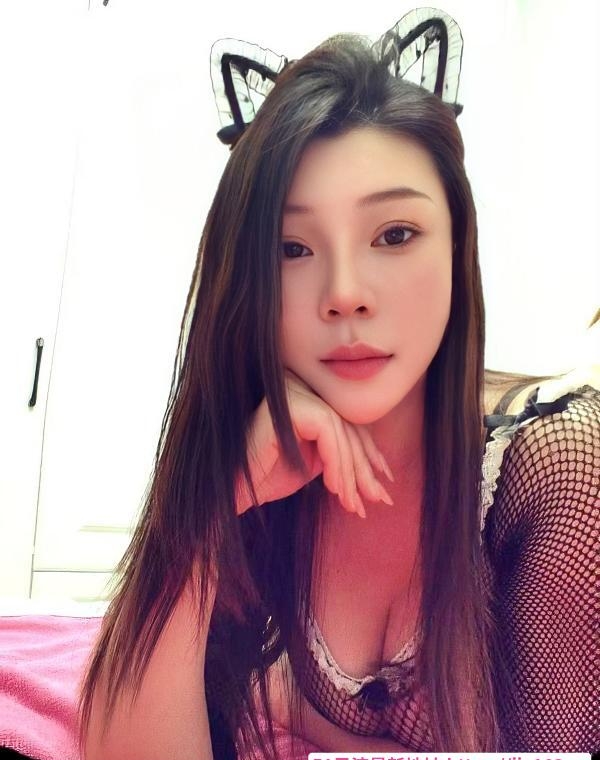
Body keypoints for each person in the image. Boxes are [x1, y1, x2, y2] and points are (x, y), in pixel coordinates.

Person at [78, 11, 599, 759]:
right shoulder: (265, 455)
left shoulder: (559, 468)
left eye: (395, 234)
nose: (345, 294)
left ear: (458, 246)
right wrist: (209, 512)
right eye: (291, 248)